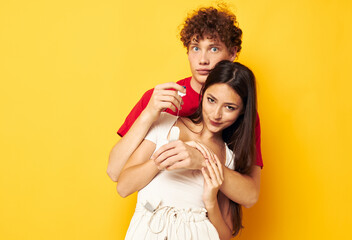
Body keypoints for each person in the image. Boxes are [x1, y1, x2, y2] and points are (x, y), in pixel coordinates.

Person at [107, 6, 262, 208]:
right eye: (196, 48)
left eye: (213, 48)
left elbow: (250, 195)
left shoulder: (239, 111)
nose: (203, 60)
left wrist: (204, 160)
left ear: (233, 53)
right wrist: (148, 114)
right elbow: (115, 172)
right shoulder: (160, 99)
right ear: (188, 52)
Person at [117, 60, 258, 239]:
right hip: (149, 229)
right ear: (202, 93)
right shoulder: (165, 124)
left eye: (229, 107)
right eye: (211, 100)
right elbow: (123, 187)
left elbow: (225, 236)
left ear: (242, 112)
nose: (216, 114)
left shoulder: (227, 157)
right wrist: (161, 161)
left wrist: (211, 202)